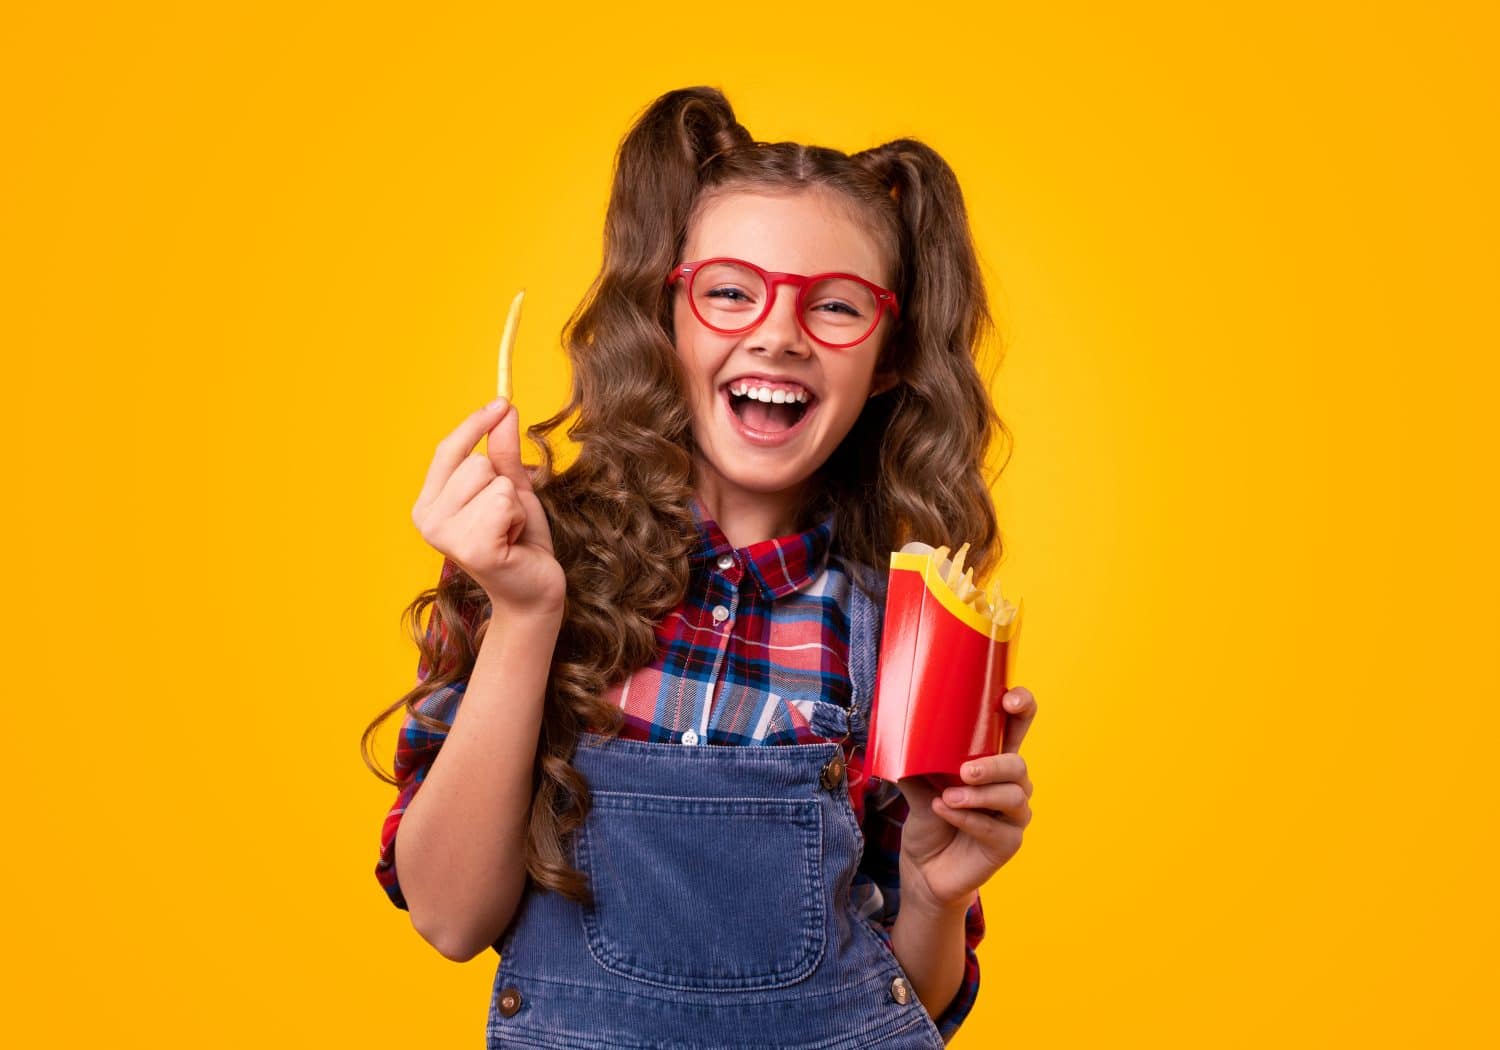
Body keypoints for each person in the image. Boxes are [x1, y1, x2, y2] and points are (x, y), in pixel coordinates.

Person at [361, 85, 1039, 1048]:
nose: (776, 332)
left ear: (888, 358)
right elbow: (449, 917)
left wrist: (934, 889)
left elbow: (905, 1010)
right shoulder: (528, 561)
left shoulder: (911, 622)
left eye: (836, 305)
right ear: (667, 315)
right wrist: (525, 617)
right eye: (729, 290)